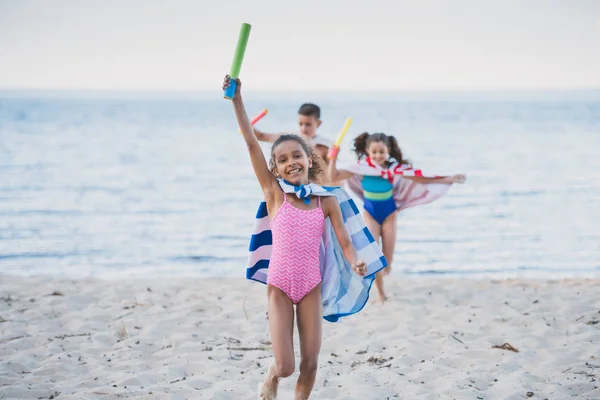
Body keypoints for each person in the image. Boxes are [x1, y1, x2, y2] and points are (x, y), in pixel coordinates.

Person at [224, 75, 387, 400]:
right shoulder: (274, 195)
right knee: (286, 366)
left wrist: (356, 262)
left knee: (310, 362)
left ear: (309, 159)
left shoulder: (326, 200)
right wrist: (237, 100)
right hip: (280, 288)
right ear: (275, 168)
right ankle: (272, 375)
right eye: (282, 160)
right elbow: (250, 141)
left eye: (296, 156)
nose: (290, 163)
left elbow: (344, 242)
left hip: (311, 287)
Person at [328, 132, 466, 304]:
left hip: (389, 215)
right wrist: (332, 158)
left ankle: (384, 280)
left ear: (389, 151)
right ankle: (381, 294)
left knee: (387, 260)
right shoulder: (361, 167)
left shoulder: (395, 169)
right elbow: (333, 176)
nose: (378, 155)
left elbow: (422, 178)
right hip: (370, 213)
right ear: (367, 151)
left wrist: (449, 178)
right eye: (374, 152)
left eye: (381, 152)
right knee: (374, 256)